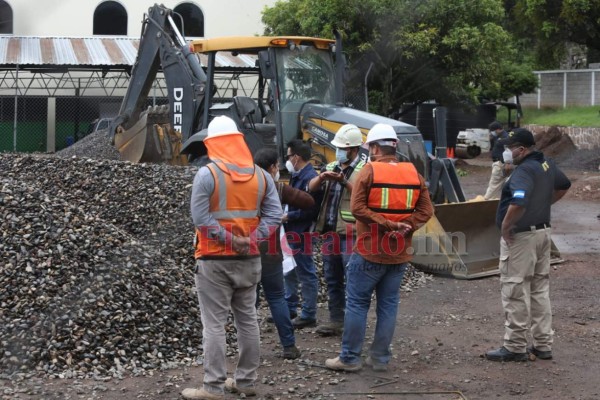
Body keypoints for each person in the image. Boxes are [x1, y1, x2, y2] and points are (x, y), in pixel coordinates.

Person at [183, 116, 282, 400]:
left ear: (213, 144)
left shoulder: (207, 175)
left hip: (214, 261)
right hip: (249, 259)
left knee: (214, 324)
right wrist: (251, 240)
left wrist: (230, 240)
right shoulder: (261, 176)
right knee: (247, 319)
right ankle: (246, 381)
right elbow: (274, 215)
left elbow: (200, 218)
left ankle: (213, 387)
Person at [325, 123, 434, 372]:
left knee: (356, 304)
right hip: (399, 253)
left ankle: (350, 358)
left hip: (370, 251)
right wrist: (406, 226)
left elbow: (357, 209)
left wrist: (388, 224)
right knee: (388, 305)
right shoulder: (413, 173)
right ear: (394, 146)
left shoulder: (368, 171)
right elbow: (427, 210)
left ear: (374, 147)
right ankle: (380, 359)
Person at [485, 128, 571, 363]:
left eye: (508, 148)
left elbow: (519, 201)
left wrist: (505, 226)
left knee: (515, 289)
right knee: (539, 290)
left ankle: (515, 346)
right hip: (542, 233)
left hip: (521, 238)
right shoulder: (545, 163)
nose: (506, 153)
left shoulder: (523, 171)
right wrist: (544, 203)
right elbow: (564, 184)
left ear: (521, 150)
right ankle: (543, 344)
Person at [253, 148, 315, 360]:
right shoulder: (276, 188)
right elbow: (308, 202)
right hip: (270, 251)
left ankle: (249, 350)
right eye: (277, 166)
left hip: (246, 249)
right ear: (272, 167)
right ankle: (289, 346)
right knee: (277, 297)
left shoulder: (244, 187)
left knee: (248, 301)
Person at [308, 124, 365, 336]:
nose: (339, 152)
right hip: (330, 232)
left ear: (354, 149)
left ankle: (352, 324)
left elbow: (362, 195)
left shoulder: (364, 169)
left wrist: (344, 181)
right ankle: (336, 320)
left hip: (351, 233)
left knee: (352, 279)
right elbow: (310, 187)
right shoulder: (332, 165)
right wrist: (322, 177)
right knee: (332, 278)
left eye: (343, 148)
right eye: (338, 148)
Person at [283, 139, 323, 329]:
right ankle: (289, 308)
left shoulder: (310, 179)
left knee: (306, 272)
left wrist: (287, 216)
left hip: (303, 232)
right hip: (293, 232)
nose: (287, 160)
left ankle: (308, 313)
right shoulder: (298, 175)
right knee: (290, 270)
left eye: (289, 156)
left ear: (296, 157)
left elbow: (311, 211)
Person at [484, 121, 512, 200]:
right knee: (504, 184)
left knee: (493, 185)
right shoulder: (499, 136)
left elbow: (508, 150)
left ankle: (486, 201)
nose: (491, 132)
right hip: (499, 163)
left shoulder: (505, 137)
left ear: (497, 130)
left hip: (501, 164)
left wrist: (507, 163)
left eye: (492, 131)